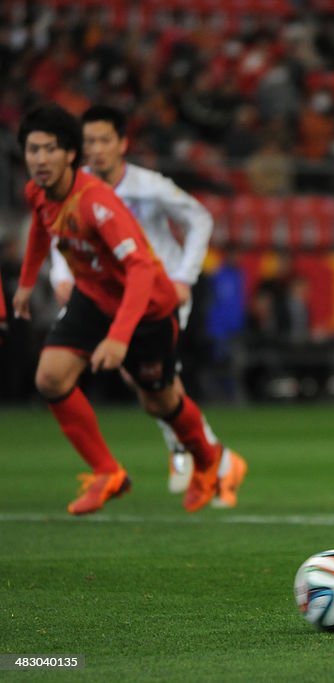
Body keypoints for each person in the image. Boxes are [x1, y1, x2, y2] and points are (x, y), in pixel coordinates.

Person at [13, 103, 235, 515]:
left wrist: (118, 338)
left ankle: (209, 460)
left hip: (147, 308)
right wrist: (27, 283)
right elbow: (42, 231)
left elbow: (140, 271)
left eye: (49, 150)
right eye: (32, 150)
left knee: (160, 402)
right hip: (93, 298)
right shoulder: (38, 192)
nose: (39, 160)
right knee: (50, 378)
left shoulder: (98, 203)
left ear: (70, 155)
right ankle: (106, 472)